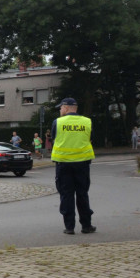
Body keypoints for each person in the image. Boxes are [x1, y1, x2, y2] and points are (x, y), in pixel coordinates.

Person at [50, 97, 95, 235]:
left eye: (60, 108)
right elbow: (91, 138)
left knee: (66, 195)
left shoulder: (57, 122)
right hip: (82, 164)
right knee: (82, 194)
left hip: (63, 164)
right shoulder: (87, 122)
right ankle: (86, 226)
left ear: (66, 107)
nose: (60, 110)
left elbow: (54, 139)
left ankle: (69, 227)